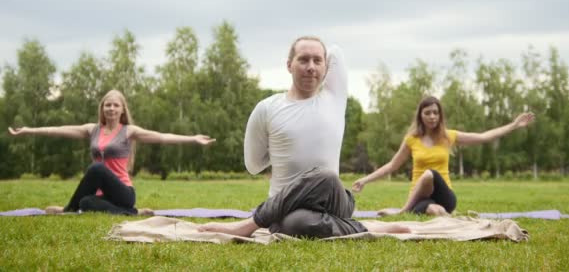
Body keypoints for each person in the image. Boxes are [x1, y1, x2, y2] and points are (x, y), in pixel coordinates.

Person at [198, 36, 410, 238]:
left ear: (326, 67)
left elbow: (335, 51)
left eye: (318, 60)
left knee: (325, 177)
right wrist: (282, 150)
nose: (311, 66)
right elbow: (253, 166)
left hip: (334, 200)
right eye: (303, 60)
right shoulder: (266, 109)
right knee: (296, 224)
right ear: (289, 65)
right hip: (284, 213)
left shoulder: (334, 99)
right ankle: (367, 227)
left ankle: (249, 224)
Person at [8, 89, 216, 215]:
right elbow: (58, 130)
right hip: (104, 196)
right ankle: (132, 213)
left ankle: (67, 210)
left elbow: (162, 137)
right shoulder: (92, 130)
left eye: (115, 105)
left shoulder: (128, 132)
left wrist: (193, 139)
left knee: (97, 168)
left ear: (122, 110)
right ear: (102, 108)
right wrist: (28, 131)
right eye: (108, 105)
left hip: (123, 192)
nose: (111, 108)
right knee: (86, 202)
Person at [352, 96, 535, 217]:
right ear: (420, 116)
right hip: (420, 198)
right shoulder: (412, 140)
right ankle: (438, 215)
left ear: (440, 115)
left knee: (430, 174)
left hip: (445, 194)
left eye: (435, 112)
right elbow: (392, 166)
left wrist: (513, 125)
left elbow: (483, 137)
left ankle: (401, 212)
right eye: (427, 113)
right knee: (435, 210)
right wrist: (364, 180)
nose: (432, 116)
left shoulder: (448, 136)